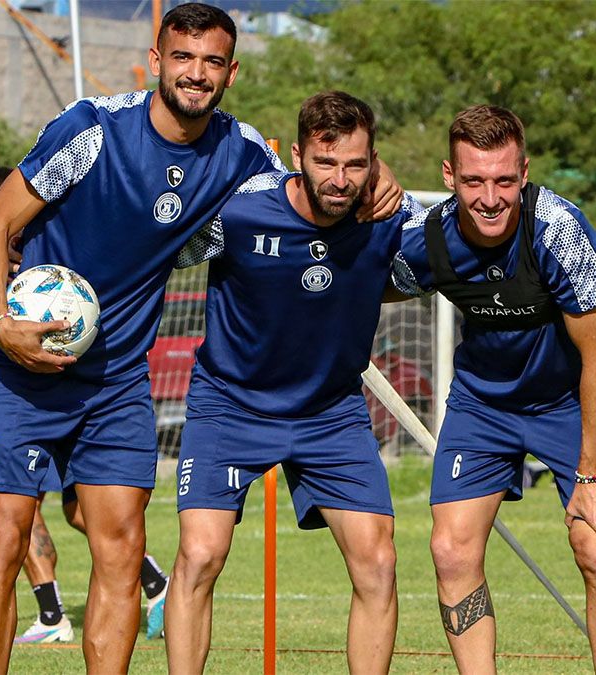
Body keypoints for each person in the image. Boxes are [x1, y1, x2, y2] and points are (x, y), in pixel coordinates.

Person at [0, 4, 400, 671]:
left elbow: (316, 174)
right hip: (24, 364)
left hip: (116, 381)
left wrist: (380, 172)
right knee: (3, 536)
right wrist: (0, 322)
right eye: (184, 57)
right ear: (158, 57)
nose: (196, 74)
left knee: (120, 548)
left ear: (231, 71)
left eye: (212, 61)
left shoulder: (241, 152)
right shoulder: (92, 130)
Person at [164, 90, 420, 675]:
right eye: (326, 163)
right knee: (200, 556)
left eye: (356, 164)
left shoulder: (389, 220)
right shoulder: (240, 210)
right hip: (229, 404)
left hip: (330, 413)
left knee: (377, 564)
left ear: (374, 161)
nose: (340, 178)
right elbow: (158, 246)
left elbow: (448, 254)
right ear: (299, 155)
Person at [390, 105, 596, 674]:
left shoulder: (559, 232)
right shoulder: (432, 238)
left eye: (504, 180)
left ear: (523, 173)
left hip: (573, 401)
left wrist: (593, 479)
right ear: (450, 178)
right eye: (474, 180)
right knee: (451, 551)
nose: (491, 197)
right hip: (485, 403)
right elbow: (371, 284)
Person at [0, 168, 172, 645]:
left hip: (91, 390)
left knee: (60, 520)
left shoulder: (42, 255)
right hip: (32, 392)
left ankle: (79, 606)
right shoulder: (5, 265)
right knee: (39, 521)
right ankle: (85, 603)